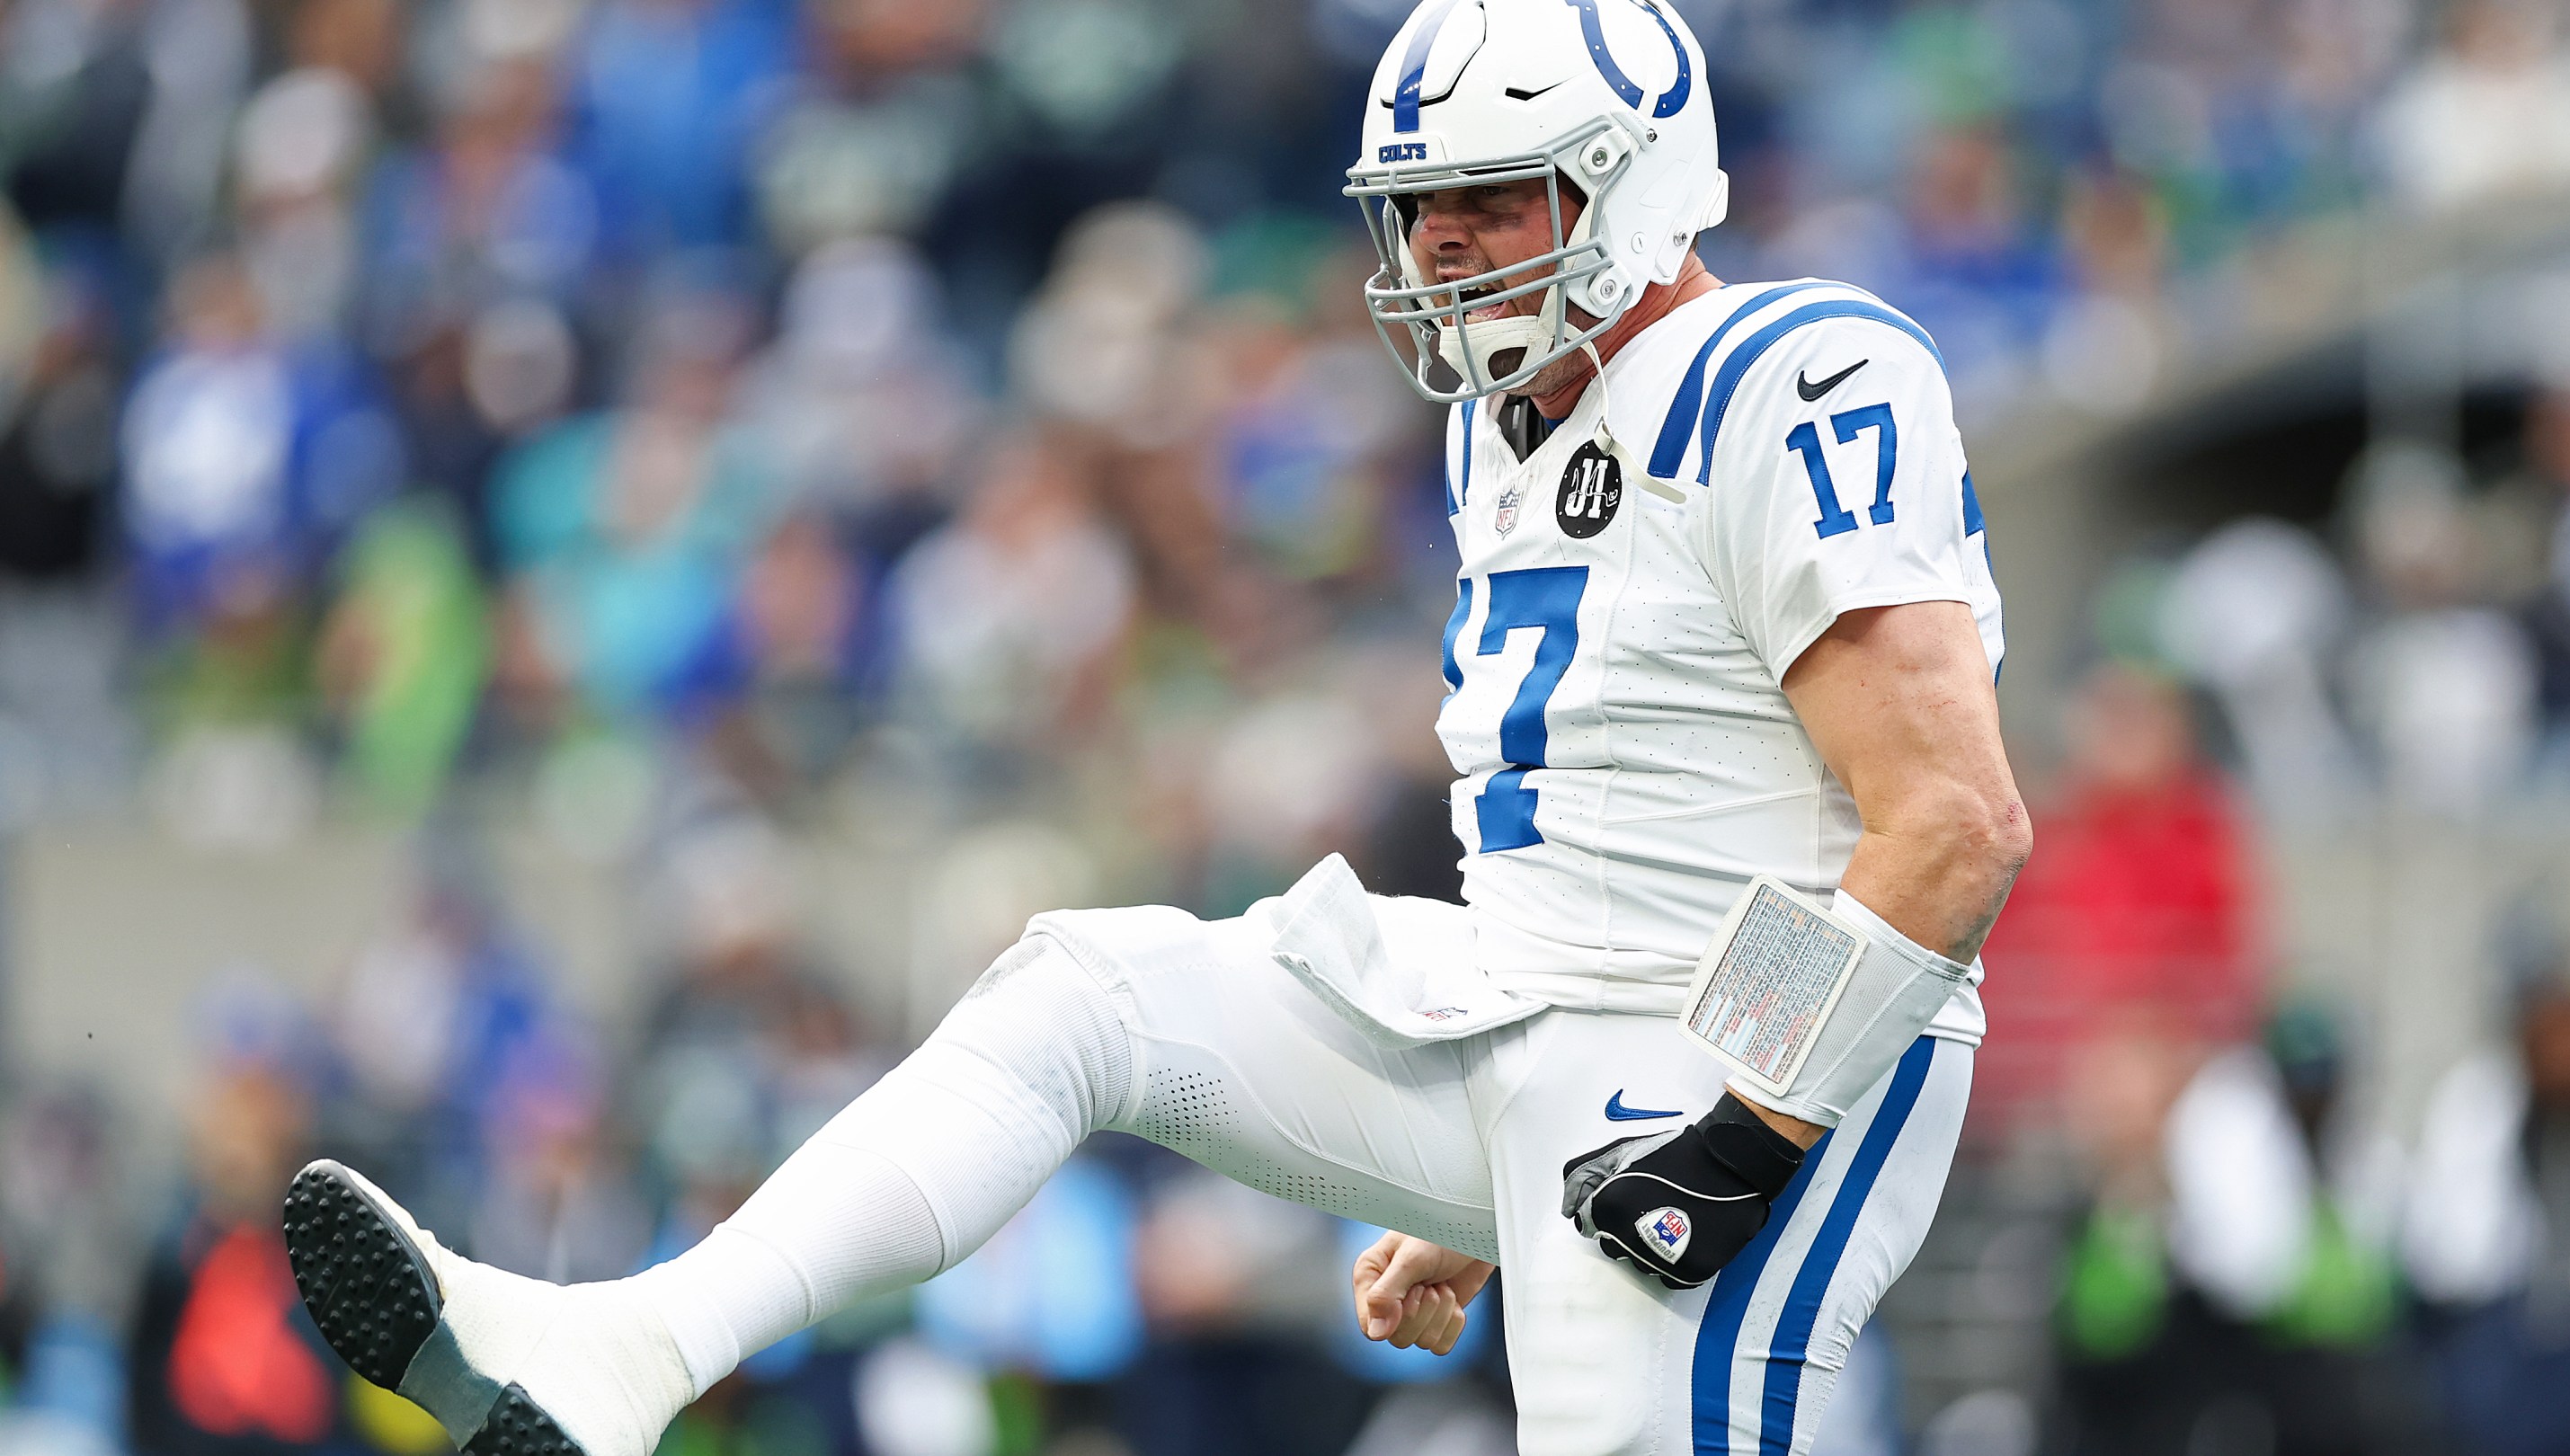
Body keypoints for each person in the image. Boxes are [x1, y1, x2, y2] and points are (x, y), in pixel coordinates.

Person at [276, 4, 2027, 1454]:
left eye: (1493, 199)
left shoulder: (1791, 371)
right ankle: (629, 1356)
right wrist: (1491, 1166)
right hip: (1546, 1018)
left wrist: (1734, 1128)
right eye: (1419, 209)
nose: (1439, 249)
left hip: (1765, 1060)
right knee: (1084, 995)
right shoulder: (1505, 424)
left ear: (1635, 184)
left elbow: (1950, 824)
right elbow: (1602, 851)